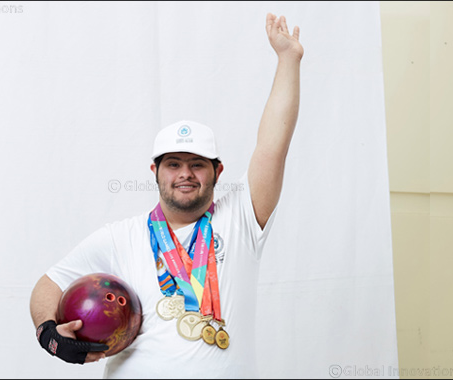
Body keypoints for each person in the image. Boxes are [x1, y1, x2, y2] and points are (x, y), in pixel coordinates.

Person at [30, 12, 303, 378]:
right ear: (155, 173)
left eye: (197, 164)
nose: (185, 174)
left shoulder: (242, 218)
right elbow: (49, 283)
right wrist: (50, 334)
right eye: (173, 164)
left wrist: (288, 59)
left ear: (217, 172)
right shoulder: (120, 237)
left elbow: (272, 145)